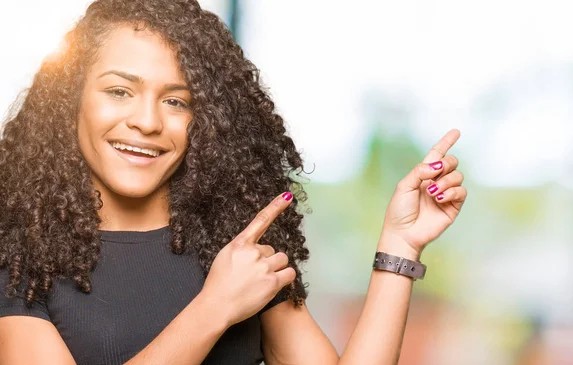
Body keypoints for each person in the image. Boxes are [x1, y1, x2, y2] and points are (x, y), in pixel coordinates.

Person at [0, 0, 467, 364]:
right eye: (119, 91)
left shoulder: (236, 244)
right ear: (70, 100)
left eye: (177, 102)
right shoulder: (19, 254)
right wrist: (214, 307)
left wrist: (400, 245)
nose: (146, 121)